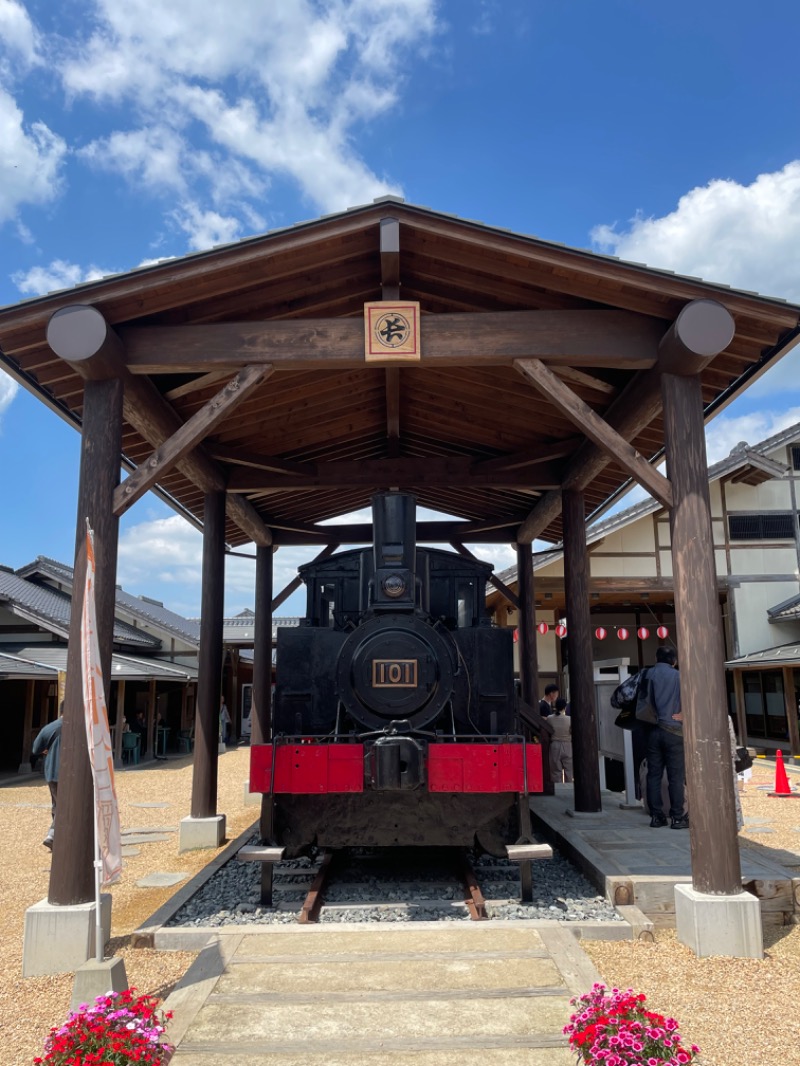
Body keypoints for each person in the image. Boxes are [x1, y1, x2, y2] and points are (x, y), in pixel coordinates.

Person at [645, 646, 688, 830]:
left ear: (656, 658)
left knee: (653, 775)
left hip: (652, 729)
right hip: (674, 730)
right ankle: (677, 818)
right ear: (674, 661)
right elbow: (690, 699)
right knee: (675, 777)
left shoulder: (647, 674)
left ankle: (656, 816)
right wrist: (684, 714)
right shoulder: (679, 676)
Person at [31, 710, 63, 850]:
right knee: (65, 805)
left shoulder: (50, 727)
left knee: (57, 804)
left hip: (51, 772)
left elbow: (36, 748)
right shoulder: (79, 727)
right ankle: (53, 834)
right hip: (70, 773)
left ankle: (56, 837)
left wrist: (46, 749)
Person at [549, 697, 573, 783]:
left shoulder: (550, 718)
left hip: (555, 745)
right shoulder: (569, 719)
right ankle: (569, 790)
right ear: (565, 707)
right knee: (569, 771)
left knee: (556, 771)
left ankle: (557, 790)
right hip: (567, 745)